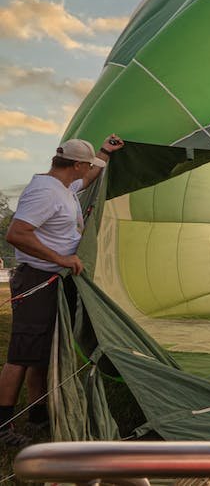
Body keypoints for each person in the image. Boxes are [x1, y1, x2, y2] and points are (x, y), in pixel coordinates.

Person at [0, 135, 124, 446]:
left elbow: (90, 177)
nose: (89, 169)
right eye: (87, 164)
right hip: (37, 280)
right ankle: (2, 428)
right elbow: (17, 233)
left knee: (42, 351)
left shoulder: (64, 186)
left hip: (49, 279)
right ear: (77, 165)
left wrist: (105, 152)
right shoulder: (45, 193)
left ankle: (38, 414)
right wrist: (61, 258)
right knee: (21, 354)